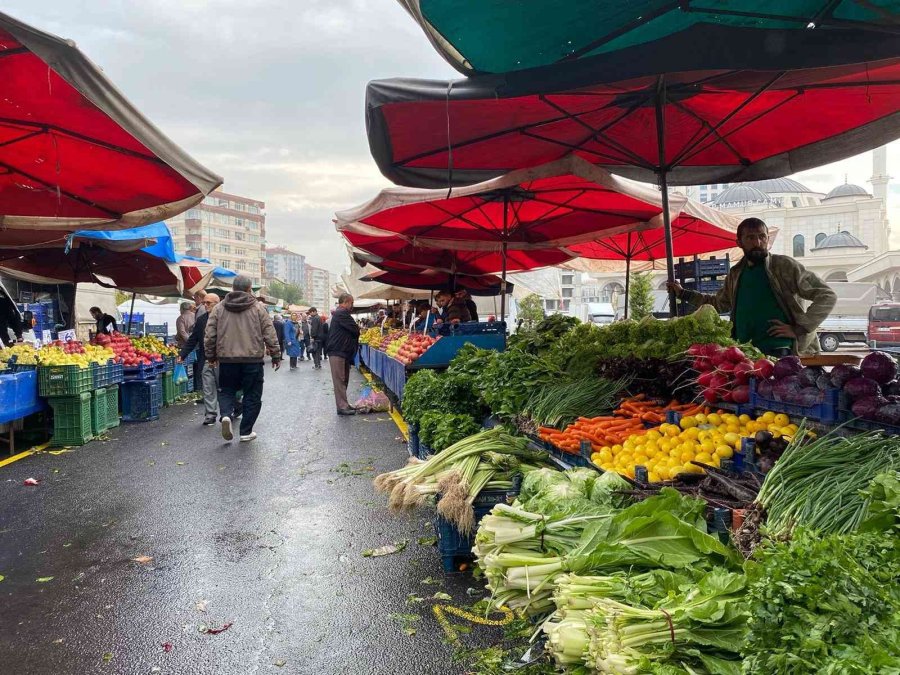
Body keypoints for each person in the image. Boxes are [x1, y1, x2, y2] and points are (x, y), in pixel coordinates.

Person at [668, 217, 837, 356]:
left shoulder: (784, 266)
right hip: (744, 350)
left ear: (767, 239)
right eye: (750, 237)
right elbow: (718, 304)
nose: (757, 242)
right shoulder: (735, 274)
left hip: (781, 350)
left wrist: (800, 327)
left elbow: (826, 295)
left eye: (762, 236)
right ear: (739, 242)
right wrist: (683, 294)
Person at [204, 275, 281, 443]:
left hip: (227, 360)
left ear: (232, 288)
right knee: (252, 395)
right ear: (249, 289)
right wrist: (276, 354)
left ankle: (225, 415)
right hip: (252, 360)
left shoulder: (219, 308)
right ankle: (246, 431)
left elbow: (209, 334)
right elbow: (269, 332)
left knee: (226, 390)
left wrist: (211, 356)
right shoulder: (258, 308)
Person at [180, 293, 220, 425]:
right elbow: (193, 339)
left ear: (217, 303)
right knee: (208, 387)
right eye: (204, 303)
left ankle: (235, 407)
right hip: (207, 359)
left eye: (209, 303)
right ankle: (210, 414)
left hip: (223, 359)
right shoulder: (202, 320)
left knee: (223, 387)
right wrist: (182, 354)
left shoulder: (225, 318)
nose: (205, 305)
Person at [326, 293, 361, 415]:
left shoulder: (341, 313)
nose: (352, 306)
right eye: (351, 303)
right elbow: (355, 330)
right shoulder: (341, 313)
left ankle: (344, 404)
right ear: (346, 302)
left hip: (342, 351)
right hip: (337, 351)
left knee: (343, 379)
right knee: (340, 380)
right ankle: (342, 406)